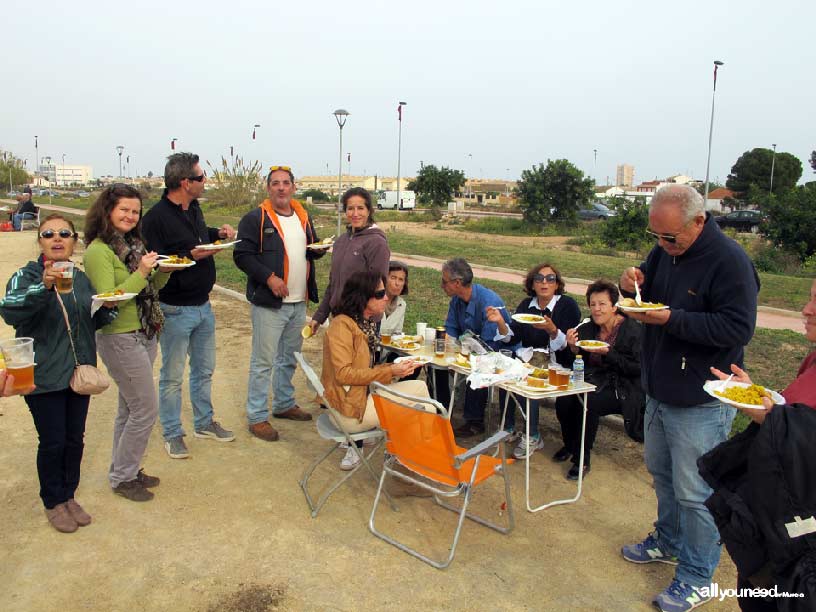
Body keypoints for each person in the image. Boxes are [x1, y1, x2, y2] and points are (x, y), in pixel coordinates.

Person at [618, 184, 760, 612]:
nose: (661, 246)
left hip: (700, 399)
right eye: (655, 237)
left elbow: (737, 329)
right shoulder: (665, 250)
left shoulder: (731, 263)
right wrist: (633, 281)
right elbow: (647, 289)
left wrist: (670, 319)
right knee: (662, 475)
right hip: (659, 389)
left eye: (670, 237)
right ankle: (668, 540)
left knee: (696, 493)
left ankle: (698, 576)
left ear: (699, 221)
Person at [705, 278, 816, 612]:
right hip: (772, 520)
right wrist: (754, 393)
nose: (806, 310)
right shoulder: (812, 361)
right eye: (810, 299)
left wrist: (770, 418)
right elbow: (793, 413)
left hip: (801, 538)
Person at [0, 214, 117, 532]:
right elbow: (9, 308)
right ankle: (53, 502)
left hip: (77, 373)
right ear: (39, 241)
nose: (57, 238)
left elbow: (92, 317)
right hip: (43, 376)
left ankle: (69, 495)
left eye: (64, 233)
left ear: (73, 241)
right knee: (52, 442)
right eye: (48, 233)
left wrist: (109, 308)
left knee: (74, 440)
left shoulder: (79, 278)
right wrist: (43, 286)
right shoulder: (26, 275)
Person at [141, 152, 236, 459]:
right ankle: (172, 432)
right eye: (200, 177)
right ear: (185, 182)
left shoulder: (193, 207)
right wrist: (192, 255)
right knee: (172, 375)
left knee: (204, 369)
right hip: (175, 308)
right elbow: (156, 260)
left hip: (203, 306)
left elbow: (196, 238)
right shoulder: (155, 218)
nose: (204, 181)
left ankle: (204, 422)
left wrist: (216, 235)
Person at [84, 184, 174, 502]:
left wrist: (162, 271)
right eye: (124, 209)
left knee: (129, 407)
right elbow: (110, 299)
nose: (130, 216)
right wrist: (142, 271)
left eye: (135, 211)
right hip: (118, 336)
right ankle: (122, 476)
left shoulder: (133, 244)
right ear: (107, 211)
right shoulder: (98, 251)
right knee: (145, 410)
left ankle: (126, 470)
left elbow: (151, 286)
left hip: (145, 332)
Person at [233, 166, 325, 442]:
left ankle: (284, 404)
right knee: (263, 362)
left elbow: (310, 250)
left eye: (286, 183)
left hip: (298, 303)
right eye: (275, 184)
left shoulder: (302, 217)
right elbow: (242, 255)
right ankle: (257, 416)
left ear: (294, 187)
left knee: (289, 358)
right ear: (268, 188)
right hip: (269, 305)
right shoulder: (255, 218)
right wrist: (269, 278)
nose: (281, 188)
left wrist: (318, 250)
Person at [321, 270, 425, 470]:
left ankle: (408, 466)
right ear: (362, 297)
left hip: (355, 400)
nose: (386, 297)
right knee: (421, 405)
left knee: (420, 392)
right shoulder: (342, 326)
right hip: (348, 412)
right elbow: (344, 375)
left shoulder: (362, 324)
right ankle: (410, 468)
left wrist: (394, 369)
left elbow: (363, 370)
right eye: (379, 294)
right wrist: (391, 371)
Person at [487, 262, 581, 457]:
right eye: (539, 279)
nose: (544, 282)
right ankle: (509, 427)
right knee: (507, 377)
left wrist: (552, 330)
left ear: (557, 284)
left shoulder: (567, 305)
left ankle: (533, 435)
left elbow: (568, 347)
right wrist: (500, 322)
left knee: (530, 381)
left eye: (550, 278)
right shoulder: (526, 306)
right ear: (532, 284)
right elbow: (512, 337)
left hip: (557, 362)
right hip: (530, 358)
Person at [557, 280, 644, 479]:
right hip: (594, 380)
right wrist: (572, 348)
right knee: (564, 399)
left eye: (602, 304)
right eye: (593, 304)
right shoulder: (588, 327)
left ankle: (582, 459)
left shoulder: (632, 330)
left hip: (623, 387)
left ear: (614, 307)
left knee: (587, 404)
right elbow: (574, 361)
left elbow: (637, 368)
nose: (596, 309)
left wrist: (608, 353)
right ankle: (571, 446)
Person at [437, 258, 512, 437]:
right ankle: (441, 410)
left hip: (498, 351)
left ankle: (475, 421)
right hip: (469, 348)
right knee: (437, 364)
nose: (442, 285)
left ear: (457, 283)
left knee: (480, 365)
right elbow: (451, 329)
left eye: (444, 281)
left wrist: (461, 348)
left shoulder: (488, 301)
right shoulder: (457, 300)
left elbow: (490, 344)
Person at [308, 187, 390, 335]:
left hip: (363, 321)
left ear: (369, 211)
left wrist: (363, 316)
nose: (355, 213)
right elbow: (333, 284)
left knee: (359, 359)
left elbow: (379, 286)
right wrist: (319, 317)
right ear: (345, 211)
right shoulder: (340, 242)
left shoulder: (377, 243)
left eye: (361, 208)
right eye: (350, 208)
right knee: (337, 358)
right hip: (339, 318)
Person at [380, 260, 409, 337]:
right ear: (385, 279)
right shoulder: (374, 300)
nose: (397, 283)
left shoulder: (402, 305)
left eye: (401, 279)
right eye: (393, 278)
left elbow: (397, 335)